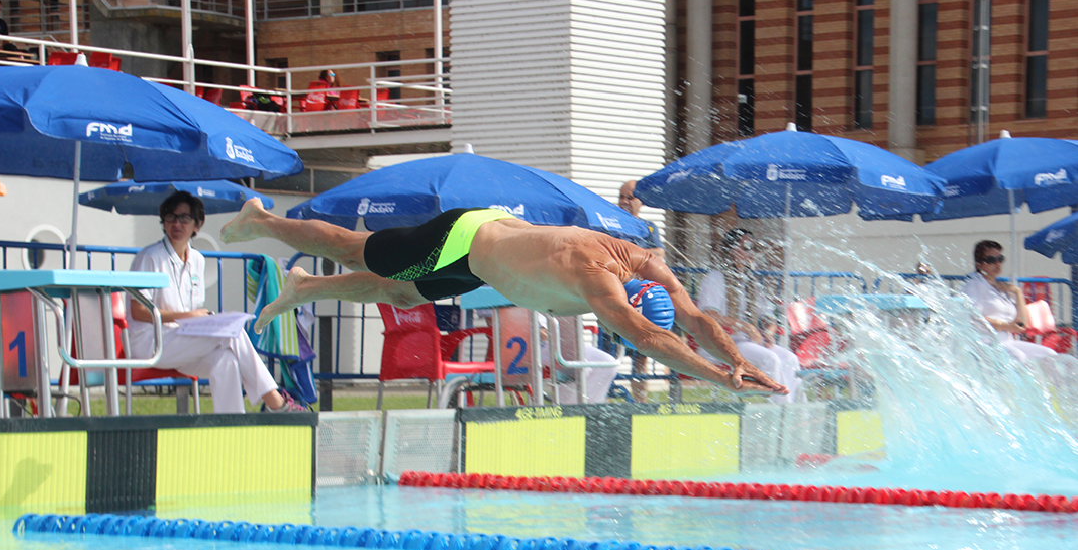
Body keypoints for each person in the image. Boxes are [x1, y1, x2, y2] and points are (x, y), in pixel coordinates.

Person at [220, 199, 786, 396]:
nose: (623, 318)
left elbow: (692, 319)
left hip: (481, 256)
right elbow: (652, 337)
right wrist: (717, 379)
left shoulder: (649, 264)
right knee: (355, 250)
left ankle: (303, 288)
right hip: (461, 239)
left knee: (394, 291)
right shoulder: (597, 279)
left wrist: (735, 360)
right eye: (626, 311)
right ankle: (265, 219)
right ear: (628, 298)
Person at [128, 192, 306, 413]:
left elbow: (190, 310)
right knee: (233, 332)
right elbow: (138, 311)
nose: (177, 223)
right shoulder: (150, 257)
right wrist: (187, 317)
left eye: (184, 218)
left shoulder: (197, 260)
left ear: (197, 224)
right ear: (163, 222)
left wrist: (199, 319)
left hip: (181, 342)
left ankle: (232, 428)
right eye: (171, 217)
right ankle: (276, 403)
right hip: (151, 343)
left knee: (226, 360)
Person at [695, 228, 804, 404]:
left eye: (753, 247)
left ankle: (799, 414)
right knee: (770, 359)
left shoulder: (750, 282)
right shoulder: (715, 278)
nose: (751, 252)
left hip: (746, 343)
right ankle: (782, 415)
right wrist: (746, 327)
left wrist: (768, 332)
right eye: (746, 247)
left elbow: (768, 316)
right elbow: (709, 315)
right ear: (731, 250)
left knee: (790, 359)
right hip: (719, 343)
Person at [961, 240, 1057, 364]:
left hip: (1007, 341)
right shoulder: (973, 285)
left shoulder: (1001, 289)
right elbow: (973, 316)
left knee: (1049, 355)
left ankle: (1046, 384)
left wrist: (1017, 292)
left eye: (1000, 259)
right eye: (991, 260)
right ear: (979, 264)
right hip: (984, 342)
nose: (997, 264)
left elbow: (1022, 325)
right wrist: (1005, 326)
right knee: (1017, 356)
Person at [617, 179, 667, 401]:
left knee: (642, 353)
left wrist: (632, 255)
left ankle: (640, 401)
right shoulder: (611, 223)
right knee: (611, 351)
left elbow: (659, 254)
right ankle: (603, 399)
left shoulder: (648, 227)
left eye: (630, 197)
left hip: (639, 295)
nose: (625, 202)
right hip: (616, 293)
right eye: (622, 196)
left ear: (641, 202)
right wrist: (641, 256)